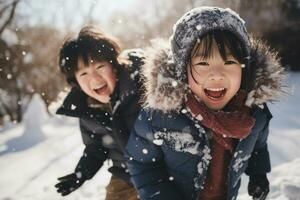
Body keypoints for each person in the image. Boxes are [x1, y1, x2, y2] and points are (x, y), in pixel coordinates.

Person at [125, 7, 285, 200]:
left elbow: (258, 146)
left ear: (244, 68)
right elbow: (142, 163)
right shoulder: (159, 115)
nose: (217, 74)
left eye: (229, 63)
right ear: (183, 70)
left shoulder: (254, 113)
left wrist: (258, 174)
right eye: (202, 63)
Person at [54, 26, 144, 200]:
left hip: (160, 170)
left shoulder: (139, 89)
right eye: (84, 73)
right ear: (76, 82)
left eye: (100, 67)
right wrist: (81, 174)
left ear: (115, 66)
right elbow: (96, 147)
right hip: (124, 176)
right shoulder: (88, 110)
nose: (94, 79)